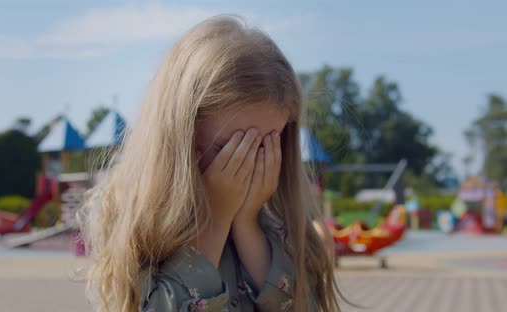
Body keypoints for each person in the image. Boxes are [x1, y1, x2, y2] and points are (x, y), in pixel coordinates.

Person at [78, 15, 340, 312]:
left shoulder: (282, 219)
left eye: (265, 146)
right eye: (230, 148)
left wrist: (246, 223)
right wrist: (215, 221)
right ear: (181, 133)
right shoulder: (129, 216)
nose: (249, 165)